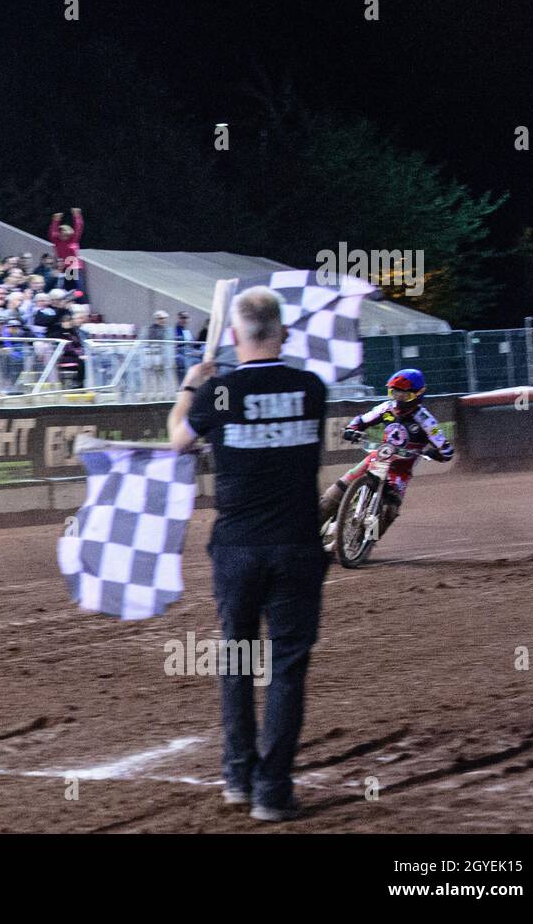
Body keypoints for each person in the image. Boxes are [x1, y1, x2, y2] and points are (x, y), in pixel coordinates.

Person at [167, 286, 329, 823]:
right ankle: (272, 790)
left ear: (234, 336)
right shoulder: (311, 388)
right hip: (298, 546)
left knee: (237, 661)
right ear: (282, 332)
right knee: (286, 668)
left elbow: (177, 441)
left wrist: (194, 385)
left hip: (236, 548)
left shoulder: (220, 393)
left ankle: (237, 775)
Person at [318, 368, 454, 534]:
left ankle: (366, 541)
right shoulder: (387, 408)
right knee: (334, 493)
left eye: (405, 396)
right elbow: (362, 420)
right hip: (377, 458)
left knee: (389, 511)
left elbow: (446, 449)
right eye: (394, 393)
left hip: (400, 471)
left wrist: (437, 453)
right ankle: (308, 533)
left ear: (418, 395)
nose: (399, 400)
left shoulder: (426, 421)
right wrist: (351, 429)